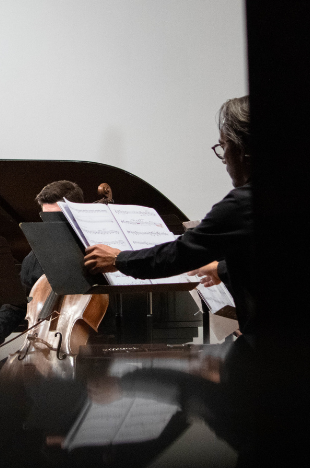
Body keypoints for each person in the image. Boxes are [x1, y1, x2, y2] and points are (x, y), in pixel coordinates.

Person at [84, 96, 256, 335]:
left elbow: (179, 254)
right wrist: (221, 270)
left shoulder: (242, 204)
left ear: (242, 149)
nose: (224, 157)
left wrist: (118, 259)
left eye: (224, 145)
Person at [0, 180, 86, 368]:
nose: (50, 226)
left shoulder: (95, 254)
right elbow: (17, 304)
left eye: (57, 218)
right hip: (43, 347)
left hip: (87, 349)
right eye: (45, 218)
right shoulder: (36, 256)